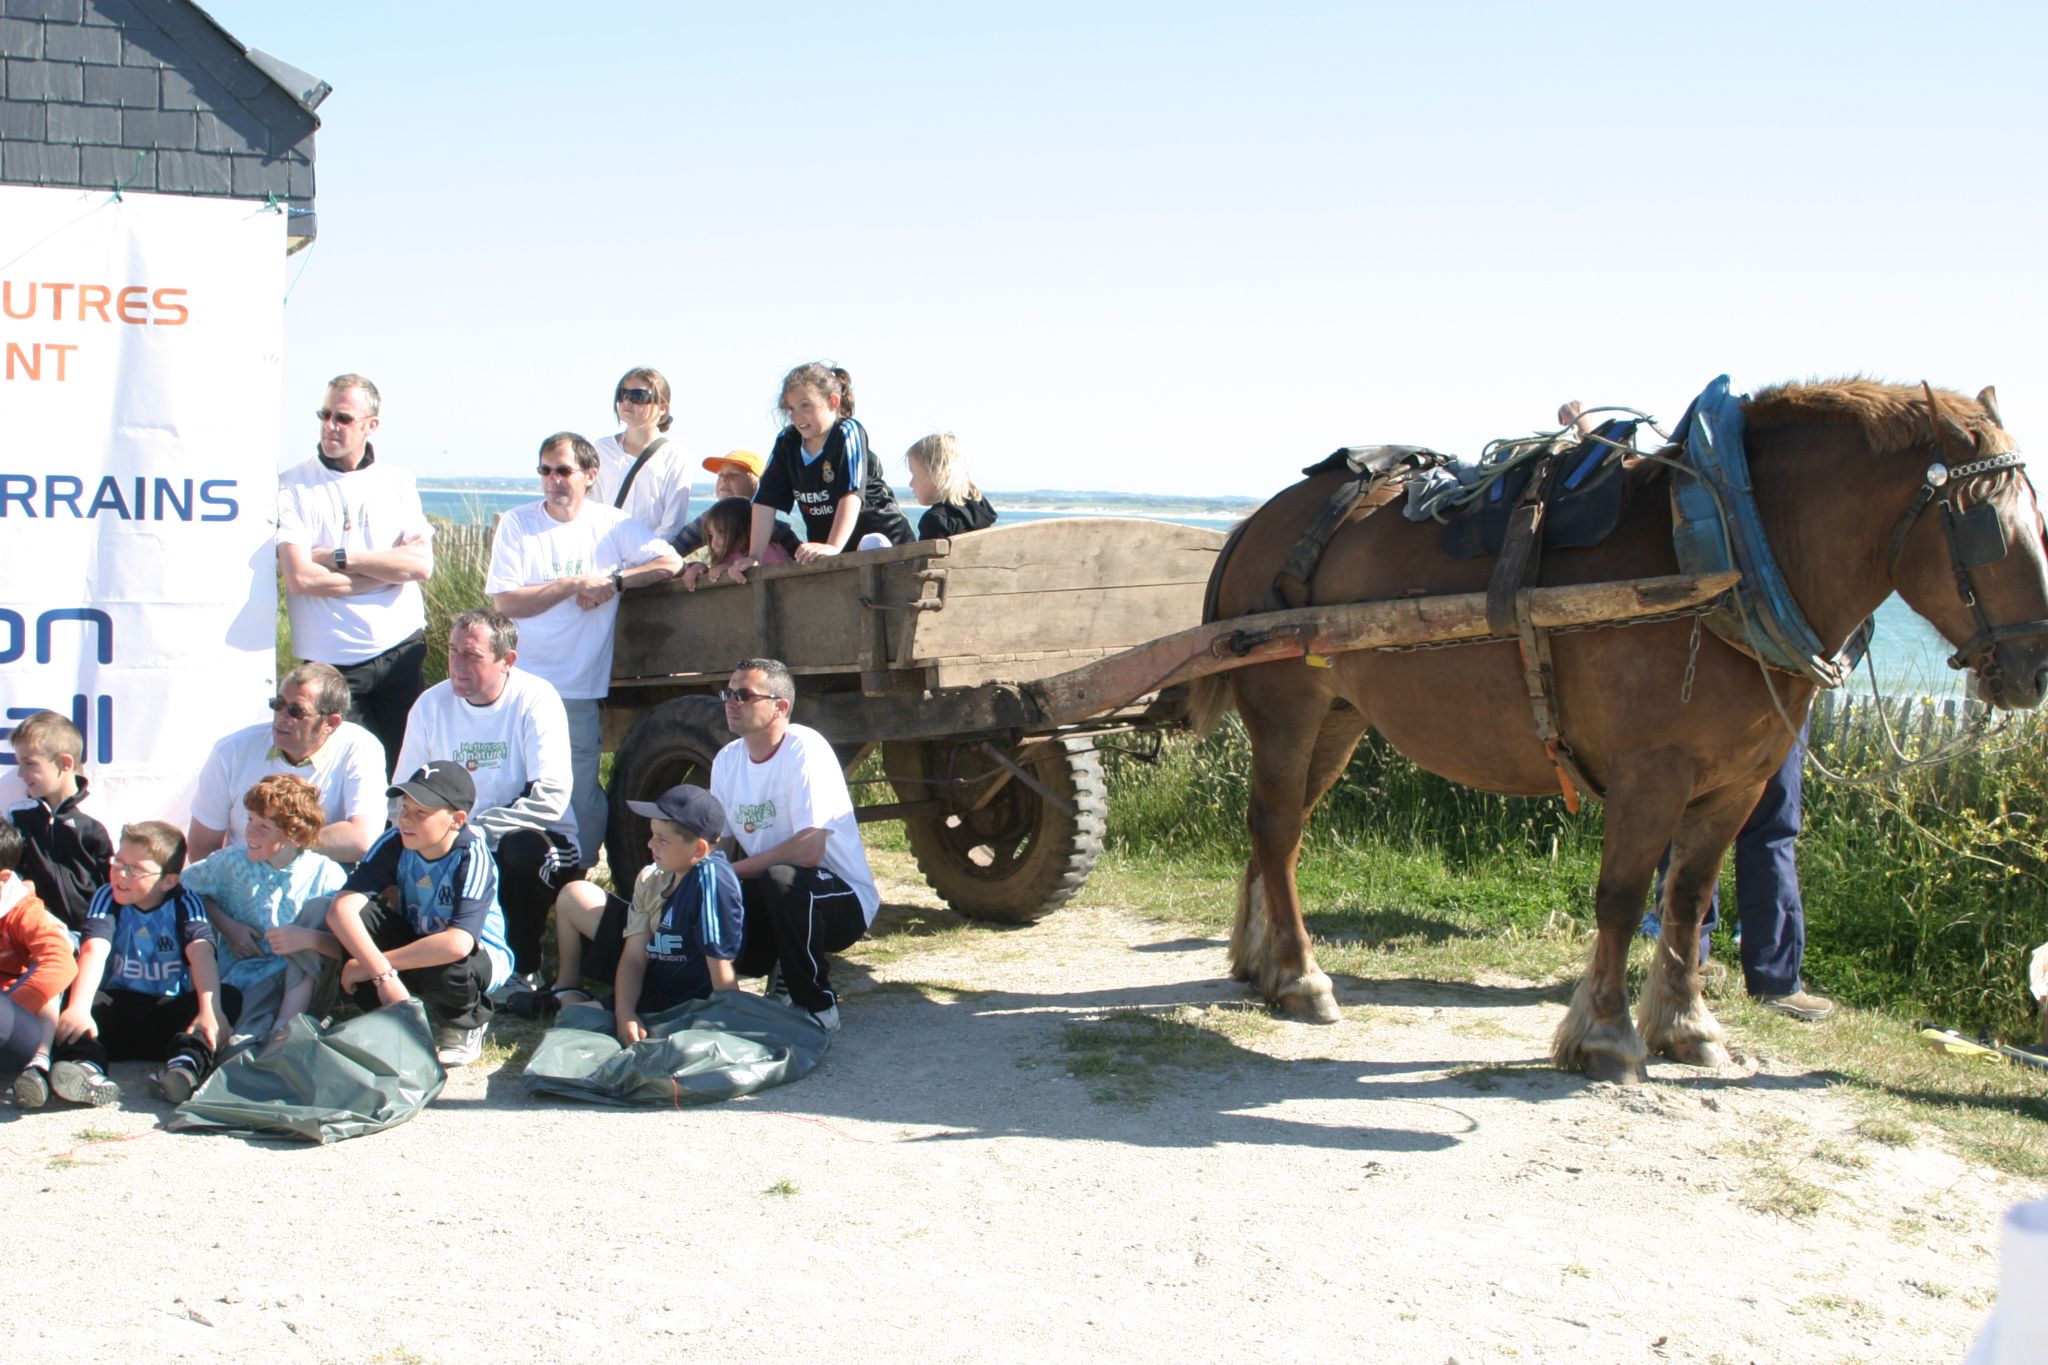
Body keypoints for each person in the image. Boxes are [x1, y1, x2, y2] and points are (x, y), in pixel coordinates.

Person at [486, 432, 681, 873]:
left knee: (579, 790)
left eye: (563, 470)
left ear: (590, 475)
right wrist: (573, 584)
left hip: (578, 683)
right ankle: (516, 877)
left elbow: (670, 562)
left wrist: (614, 581)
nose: (553, 480)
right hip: (520, 682)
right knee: (515, 783)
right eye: (545, 471)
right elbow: (506, 602)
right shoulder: (518, 523)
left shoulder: (610, 524)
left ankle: (578, 873)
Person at [391, 608, 578, 989]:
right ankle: (405, 965)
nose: (457, 664)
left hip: (537, 836)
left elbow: (551, 796)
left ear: (507, 660)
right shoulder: (430, 704)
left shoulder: (535, 698)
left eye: (472, 655)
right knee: (395, 847)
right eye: (452, 651)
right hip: (452, 836)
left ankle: (522, 968)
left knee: (521, 852)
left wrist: (476, 832)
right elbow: (402, 791)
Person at [275, 373, 435, 773]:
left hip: (400, 652)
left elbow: (420, 565)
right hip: (333, 664)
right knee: (342, 776)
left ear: (370, 425)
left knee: (406, 773)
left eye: (343, 418)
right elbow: (301, 578)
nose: (331, 425)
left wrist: (340, 557)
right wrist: (387, 571)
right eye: (325, 415)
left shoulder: (397, 481)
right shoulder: (292, 486)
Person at [709, 658, 879, 1032]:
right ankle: (711, 994)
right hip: (777, 894)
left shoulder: (804, 748)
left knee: (781, 878)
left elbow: (809, 851)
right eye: (728, 693)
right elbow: (718, 843)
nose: (731, 702)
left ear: (780, 707)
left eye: (743, 695)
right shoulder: (726, 760)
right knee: (706, 887)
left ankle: (817, 1005)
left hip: (840, 899)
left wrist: (729, 872)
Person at [507, 784, 742, 1047]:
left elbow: (720, 969)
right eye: (652, 835)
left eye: (662, 839)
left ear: (698, 849)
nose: (650, 844)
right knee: (574, 1017)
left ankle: (565, 1002)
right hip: (656, 991)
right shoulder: (652, 878)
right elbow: (633, 957)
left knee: (584, 1027)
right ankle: (566, 995)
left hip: (693, 1004)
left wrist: (729, 1031)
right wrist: (625, 1014)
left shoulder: (711, 879)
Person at [325, 762, 516, 1067]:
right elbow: (340, 910)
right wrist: (381, 973)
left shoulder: (472, 856)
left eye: (420, 813)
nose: (406, 819)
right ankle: (390, 1017)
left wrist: (373, 968)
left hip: (475, 956)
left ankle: (463, 1023)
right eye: (404, 808)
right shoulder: (394, 842)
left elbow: (458, 943)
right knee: (360, 920)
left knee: (447, 959)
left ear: (457, 820)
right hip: (415, 943)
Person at [1641, 723, 1835, 1021]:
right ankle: (1774, 982)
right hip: (1774, 706)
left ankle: (1685, 958)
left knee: (1690, 814)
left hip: (1698, 705)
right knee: (1769, 831)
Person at [51, 821, 234, 1107]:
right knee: (69, 996)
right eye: (118, 861)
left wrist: (210, 1012)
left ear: (168, 880)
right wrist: (79, 1009)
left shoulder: (185, 901)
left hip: (166, 1015)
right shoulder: (107, 896)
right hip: (116, 1012)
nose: (121, 873)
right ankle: (85, 1066)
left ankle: (184, 1066)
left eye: (135, 869)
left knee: (226, 998)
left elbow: (201, 952)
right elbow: (93, 950)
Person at [176, 774, 347, 1044]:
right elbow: (185, 891)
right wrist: (227, 927)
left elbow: (349, 947)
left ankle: (285, 1029)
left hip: (299, 982)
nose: (250, 833)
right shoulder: (232, 862)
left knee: (319, 909)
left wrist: (308, 939)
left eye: (264, 827)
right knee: (238, 1042)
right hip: (242, 978)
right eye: (250, 820)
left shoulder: (326, 875)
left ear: (298, 836)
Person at [186, 663, 387, 873]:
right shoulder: (231, 751)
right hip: (241, 877)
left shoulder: (361, 748)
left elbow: (363, 840)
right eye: (278, 704)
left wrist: (280, 842)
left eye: (296, 711)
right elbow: (201, 846)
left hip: (325, 883)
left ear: (331, 723)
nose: (282, 716)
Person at [736, 362, 912, 571]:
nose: (796, 416)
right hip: (838, 557)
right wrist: (755, 556)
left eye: (805, 405)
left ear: (832, 402)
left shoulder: (846, 432)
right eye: (791, 409)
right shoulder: (788, 442)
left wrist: (833, 546)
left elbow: (851, 493)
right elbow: (765, 499)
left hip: (886, 546)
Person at [6, 708, 112, 936]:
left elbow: (113, 882)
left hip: (93, 936)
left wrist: (101, 931)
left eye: (29, 763)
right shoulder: (17, 815)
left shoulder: (97, 818)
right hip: (37, 934)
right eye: (19, 764)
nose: (20, 773)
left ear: (65, 763)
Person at [1, 822, 79, 1109]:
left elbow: (60, 963)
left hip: (17, 1018)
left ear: (3, 878)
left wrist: (11, 1007)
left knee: (49, 971)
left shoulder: (23, 910)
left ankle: (38, 1063)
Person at [592, 366, 694, 540]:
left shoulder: (675, 456)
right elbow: (591, 508)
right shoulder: (602, 449)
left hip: (652, 553)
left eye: (638, 396)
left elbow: (672, 524)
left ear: (662, 408)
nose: (626, 401)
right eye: (622, 394)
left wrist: (645, 553)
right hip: (605, 551)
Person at [683, 497, 793, 590]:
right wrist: (700, 568)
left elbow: (777, 579)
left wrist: (731, 570)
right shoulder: (729, 553)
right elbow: (713, 574)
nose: (714, 543)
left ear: (747, 530)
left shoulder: (768, 551)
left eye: (722, 534)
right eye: (711, 535)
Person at [906, 432, 998, 541]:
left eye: (915, 475)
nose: (910, 484)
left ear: (936, 476)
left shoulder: (935, 521)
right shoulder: (982, 509)